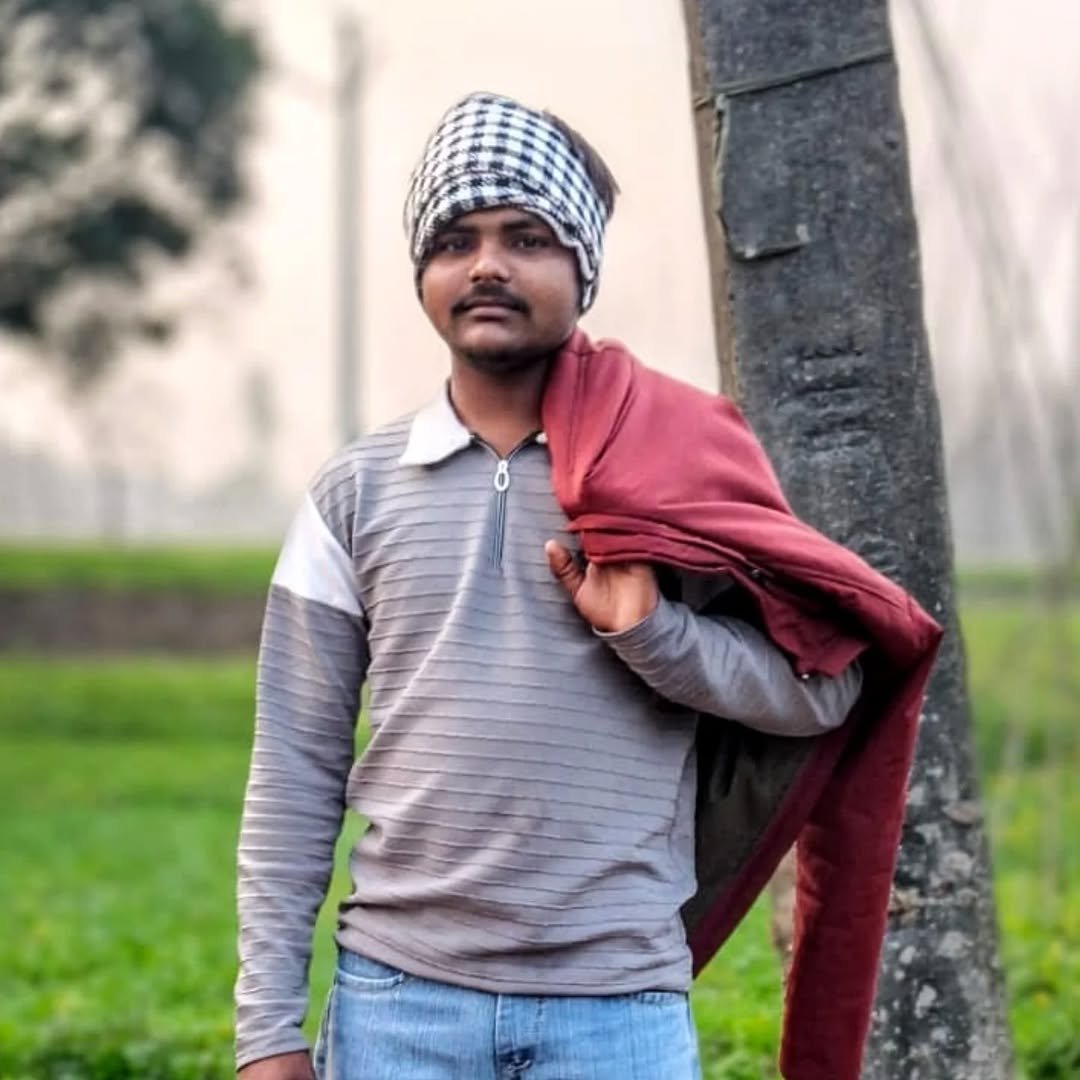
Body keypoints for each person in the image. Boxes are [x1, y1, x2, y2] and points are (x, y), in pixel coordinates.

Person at [234, 91, 864, 1080]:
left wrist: (658, 633)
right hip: (398, 1004)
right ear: (423, 272)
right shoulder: (353, 494)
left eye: (526, 236)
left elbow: (818, 689)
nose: (486, 264)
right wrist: (267, 1031)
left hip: (617, 1013)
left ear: (583, 266)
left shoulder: (674, 472)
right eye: (455, 238)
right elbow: (292, 772)